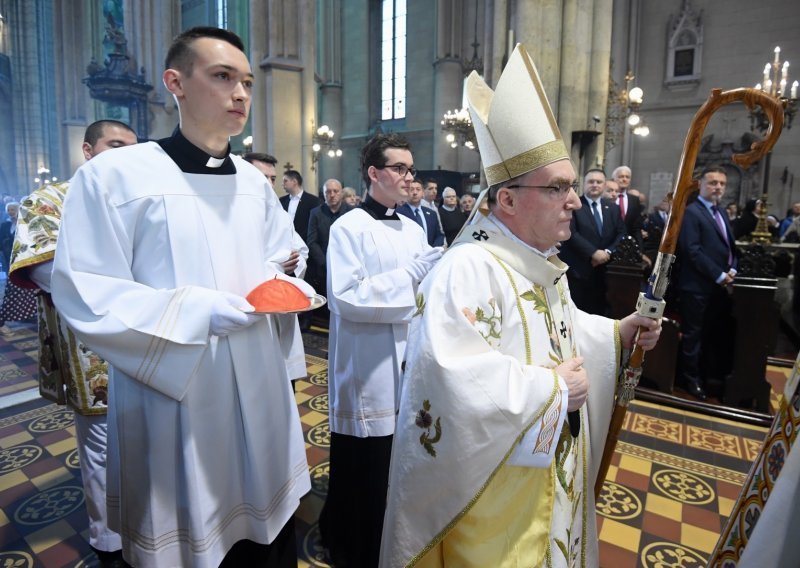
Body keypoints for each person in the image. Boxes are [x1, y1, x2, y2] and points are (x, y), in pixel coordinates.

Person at [380, 44, 661, 568]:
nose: (574, 201)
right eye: (558, 188)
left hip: (548, 477)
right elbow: (448, 380)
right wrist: (552, 389)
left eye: (573, 188)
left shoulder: (539, 262)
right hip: (496, 500)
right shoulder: (467, 270)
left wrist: (616, 334)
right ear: (505, 200)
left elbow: (561, 329)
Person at [51, 27, 310, 567]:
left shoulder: (252, 182)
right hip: (176, 385)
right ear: (176, 83)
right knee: (190, 529)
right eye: (222, 77)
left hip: (259, 376)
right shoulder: (115, 176)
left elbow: (280, 252)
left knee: (265, 527)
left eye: (245, 81)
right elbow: (85, 288)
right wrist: (195, 312)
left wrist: (285, 282)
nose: (241, 93)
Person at [9, 119, 137, 568]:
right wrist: (121, 291)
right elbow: (43, 270)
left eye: (132, 148)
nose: (124, 155)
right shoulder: (47, 201)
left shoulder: (136, 199)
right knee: (101, 444)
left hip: (146, 336)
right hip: (89, 345)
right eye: (114, 145)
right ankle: (109, 542)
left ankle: (151, 527)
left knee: (151, 437)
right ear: (87, 149)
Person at [319, 133, 443, 568]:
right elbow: (347, 297)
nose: (409, 177)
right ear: (374, 173)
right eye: (400, 169)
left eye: (411, 169)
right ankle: (351, 543)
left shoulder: (413, 227)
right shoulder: (347, 227)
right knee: (363, 462)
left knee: (397, 459)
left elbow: (425, 288)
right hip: (366, 363)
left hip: (408, 357)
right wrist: (412, 275)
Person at [674, 165, 738, 401]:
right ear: (701, 185)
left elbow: (729, 246)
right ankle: (689, 380)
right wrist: (719, 275)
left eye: (721, 183)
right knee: (694, 335)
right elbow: (691, 250)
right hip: (696, 287)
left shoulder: (720, 212)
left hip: (717, 286)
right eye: (713, 183)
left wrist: (732, 267)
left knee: (711, 334)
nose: (718, 187)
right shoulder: (692, 212)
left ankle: (708, 376)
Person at [558, 168, 626, 315]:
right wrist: (593, 253)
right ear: (585, 184)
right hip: (578, 269)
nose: (595, 184)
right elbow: (571, 234)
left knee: (599, 310)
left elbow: (621, 233)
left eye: (599, 182)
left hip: (604, 271)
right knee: (577, 311)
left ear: (604, 185)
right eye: (591, 181)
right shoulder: (574, 205)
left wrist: (606, 252)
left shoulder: (612, 208)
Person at [306, 178, 350, 300]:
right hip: (323, 267)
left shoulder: (352, 212)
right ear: (324, 194)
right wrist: (326, 262)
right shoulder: (315, 213)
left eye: (335, 191)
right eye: (328, 192)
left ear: (341, 193)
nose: (332, 195)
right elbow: (311, 241)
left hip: (346, 265)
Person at [397, 178, 445, 247]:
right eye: (411, 189)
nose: (415, 192)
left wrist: (433, 250)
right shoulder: (399, 213)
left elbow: (439, 235)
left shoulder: (432, 214)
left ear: (423, 193)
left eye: (418, 189)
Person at [280, 169, 320, 245]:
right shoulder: (281, 201)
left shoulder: (313, 201)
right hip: (285, 244)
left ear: (295, 182)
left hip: (305, 244)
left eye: (285, 181)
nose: (282, 184)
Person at [612, 165, 644, 244]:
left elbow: (636, 228)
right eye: (621, 176)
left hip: (627, 245)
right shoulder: (607, 198)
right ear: (613, 179)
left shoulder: (634, 200)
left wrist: (640, 250)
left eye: (627, 177)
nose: (624, 179)